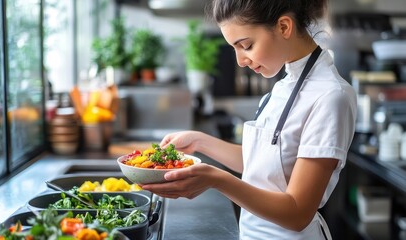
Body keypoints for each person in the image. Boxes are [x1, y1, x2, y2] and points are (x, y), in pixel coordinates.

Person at [142, 0, 357, 239]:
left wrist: (216, 179)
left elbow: (298, 213)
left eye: (246, 45)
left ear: (284, 27)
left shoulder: (330, 96)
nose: (240, 61)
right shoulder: (284, 86)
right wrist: (200, 141)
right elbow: (263, 165)